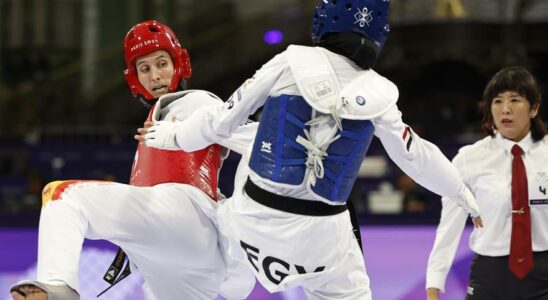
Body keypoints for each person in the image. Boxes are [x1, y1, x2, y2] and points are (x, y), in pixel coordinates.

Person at [141, 1, 483, 298]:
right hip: (321, 243)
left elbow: (221, 122)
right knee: (351, 281)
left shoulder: (290, 62)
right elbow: (416, 155)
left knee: (255, 142)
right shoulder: (379, 94)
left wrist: (169, 136)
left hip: (251, 225)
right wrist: (462, 194)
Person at [9, 20, 255, 300]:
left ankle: (58, 287)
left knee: (63, 196)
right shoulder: (153, 125)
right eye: (145, 69)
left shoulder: (196, 102)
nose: (155, 76)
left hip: (188, 216)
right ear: (135, 79)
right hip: (182, 258)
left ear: (180, 64)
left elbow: (258, 141)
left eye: (162, 63)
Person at [426, 66, 548, 300]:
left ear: (534, 108)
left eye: (515, 99)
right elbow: (448, 228)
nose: (505, 108)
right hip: (490, 277)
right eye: (497, 101)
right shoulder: (469, 159)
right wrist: (433, 287)